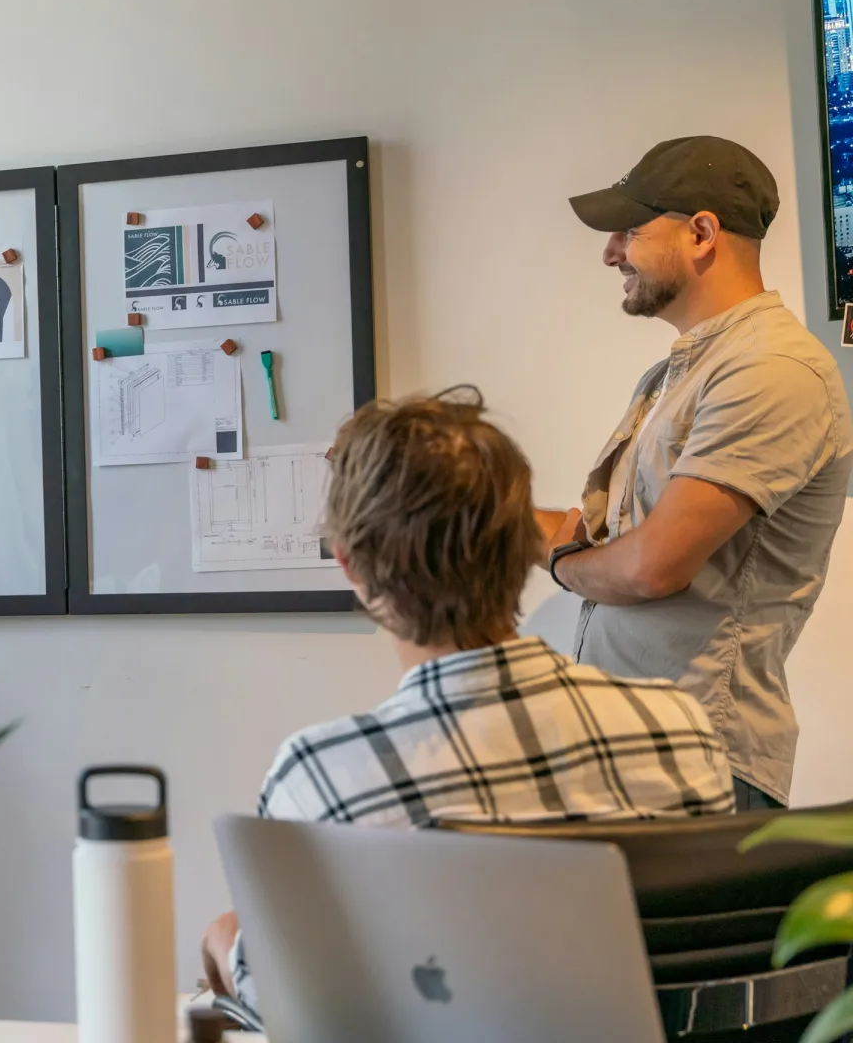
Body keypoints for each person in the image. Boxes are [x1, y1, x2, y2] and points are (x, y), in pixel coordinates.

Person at [203, 389, 734, 1011]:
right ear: (524, 549)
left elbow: (292, 1003)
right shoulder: (680, 732)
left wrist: (225, 939)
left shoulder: (322, 777)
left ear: (352, 567)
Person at [543, 136, 853, 810]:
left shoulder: (772, 370)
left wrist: (561, 561)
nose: (610, 254)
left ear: (702, 232)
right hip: (636, 758)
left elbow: (654, 566)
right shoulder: (678, 374)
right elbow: (618, 543)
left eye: (628, 231)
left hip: (698, 765)